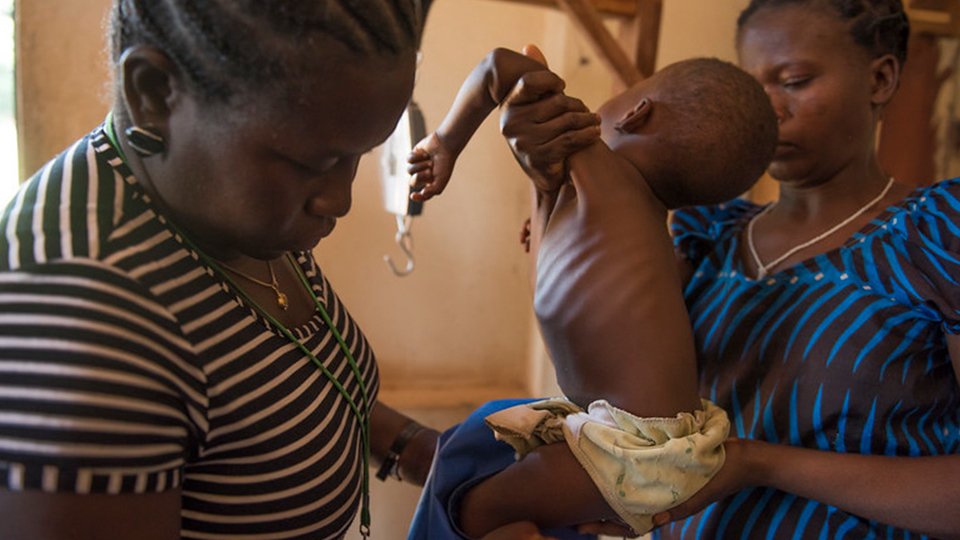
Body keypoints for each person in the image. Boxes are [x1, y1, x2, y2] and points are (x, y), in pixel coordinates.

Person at [496, 0, 960, 538]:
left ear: (880, 79)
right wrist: (550, 187)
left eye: (794, 80)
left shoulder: (937, 235)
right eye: (751, 84)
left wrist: (759, 462)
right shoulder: (706, 237)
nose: (767, 108)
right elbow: (581, 352)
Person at [0, 1, 445, 538]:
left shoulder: (214, 203)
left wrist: (425, 453)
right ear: (153, 92)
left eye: (361, 155)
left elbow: (275, 386)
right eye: (313, 164)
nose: (339, 200)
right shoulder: (85, 315)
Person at [407, 47, 778, 537]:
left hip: (629, 448)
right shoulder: (639, 226)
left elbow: (500, 65)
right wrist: (545, 219)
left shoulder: (601, 169)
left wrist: (445, 141)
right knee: (480, 461)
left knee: (472, 509)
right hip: (648, 450)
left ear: (636, 112)